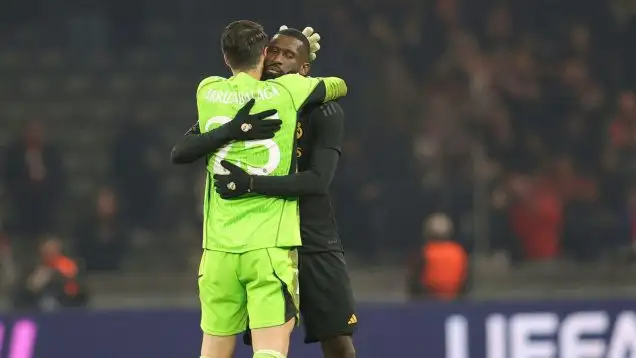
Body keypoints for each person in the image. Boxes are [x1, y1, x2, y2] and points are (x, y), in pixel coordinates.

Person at [172, 26, 356, 358]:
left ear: (304, 68)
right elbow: (185, 146)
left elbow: (317, 181)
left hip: (311, 237)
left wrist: (251, 183)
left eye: (289, 55)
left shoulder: (324, 111)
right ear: (261, 55)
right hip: (266, 241)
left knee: (337, 340)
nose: (278, 59)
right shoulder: (245, 102)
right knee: (262, 344)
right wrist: (233, 128)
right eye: (273, 51)